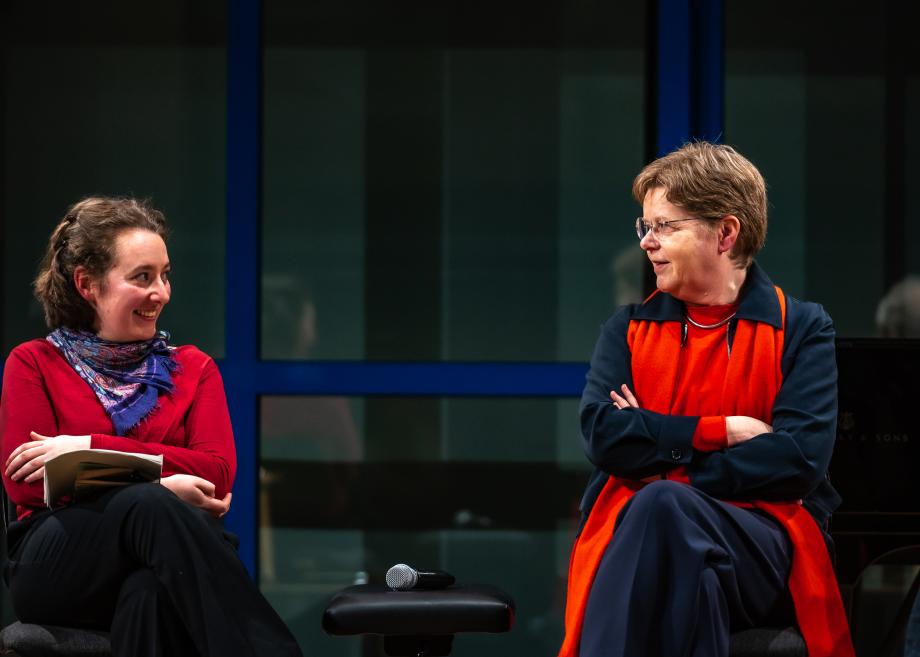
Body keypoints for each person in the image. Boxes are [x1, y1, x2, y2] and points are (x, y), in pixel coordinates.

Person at [557, 143, 854, 657]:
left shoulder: (802, 327)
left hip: (761, 541)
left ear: (726, 233)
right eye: (643, 226)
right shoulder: (626, 330)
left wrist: (660, 453)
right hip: (652, 538)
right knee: (693, 578)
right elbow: (605, 437)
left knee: (662, 501)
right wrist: (723, 431)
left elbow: (798, 460)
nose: (647, 243)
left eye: (665, 226)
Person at [0, 197, 303, 657]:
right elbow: (29, 484)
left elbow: (217, 474)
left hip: (168, 560)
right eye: (142, 277)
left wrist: (84, 448)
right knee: (148, 502)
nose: (160, 292)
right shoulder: (34, 362)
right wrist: (163, 482)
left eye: (165, 275)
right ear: (87, 284)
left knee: (150, 593)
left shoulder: (193, 368)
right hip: (60, 563)